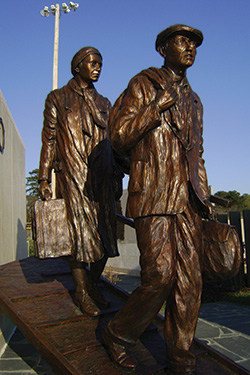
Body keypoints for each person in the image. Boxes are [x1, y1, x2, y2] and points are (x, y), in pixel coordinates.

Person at [102, 25, 215, 374]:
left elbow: (197, 154)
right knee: (160, 275)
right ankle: (118, 335)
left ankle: (180, 358)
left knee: (189, 281)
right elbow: (118, 137)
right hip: (154, 193)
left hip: (187, 200)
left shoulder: (195, 101)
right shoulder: (144, 84)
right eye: (182, 41)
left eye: (194, 43)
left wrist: (206, 193)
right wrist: (154, 108)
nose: (190, 48)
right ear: (163, 48)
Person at [38, 47, 122, 317]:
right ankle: (81, 291)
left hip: (103, 174)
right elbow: (49, 140)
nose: (98, 67)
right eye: (92, 63)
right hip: (73, 173)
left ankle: (94, 283)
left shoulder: (105, 104)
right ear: (77, 67)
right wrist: (43, 177)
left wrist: (119, 173)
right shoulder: (58, 98)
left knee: (106, 232)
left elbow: (114, 142)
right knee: (79, 233)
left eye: (100, 63)